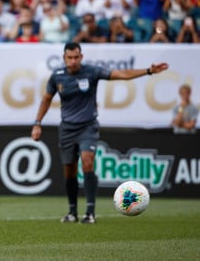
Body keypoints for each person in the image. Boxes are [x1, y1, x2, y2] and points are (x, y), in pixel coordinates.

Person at [31, 42, 168, 224]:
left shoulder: (91, 72)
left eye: (76, 57)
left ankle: (90, 212)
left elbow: (121, 74)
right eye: (69, 58)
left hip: (87, 127)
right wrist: (37, 123)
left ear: (81, 57)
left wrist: (148, 71)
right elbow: (46, 99)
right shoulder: (57, 77)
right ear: (64, 58)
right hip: (66, 129)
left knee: (87, 162)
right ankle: (72, 212)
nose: (73, 61)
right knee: (69, 170)